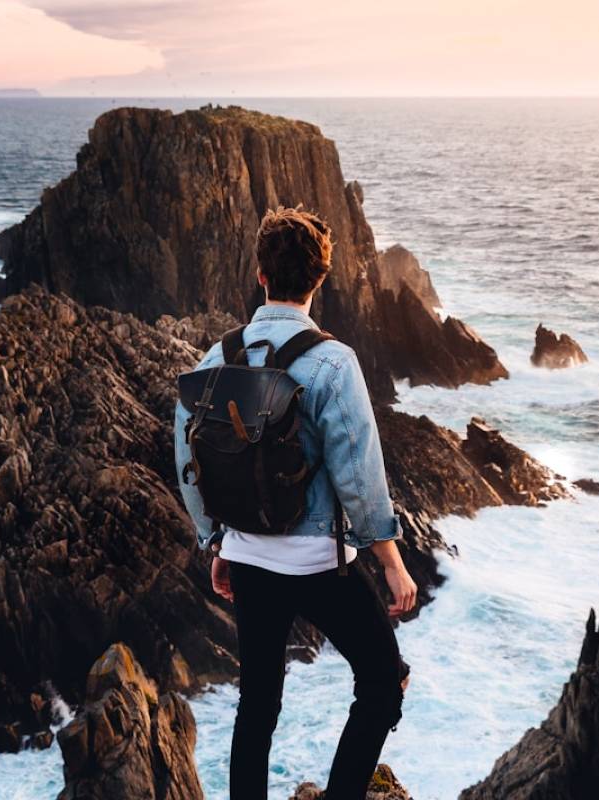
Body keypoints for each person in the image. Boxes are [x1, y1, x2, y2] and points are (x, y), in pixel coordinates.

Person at [173, 206, 417, 800]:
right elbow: (358, 475)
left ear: (260, 274)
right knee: (384, 682)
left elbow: (190, 462)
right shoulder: (333, 362)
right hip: (318, 564)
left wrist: (217, 543)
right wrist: (390, 562)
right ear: (319, 280)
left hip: (250, 558)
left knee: (257, 704)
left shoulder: (217, 359)